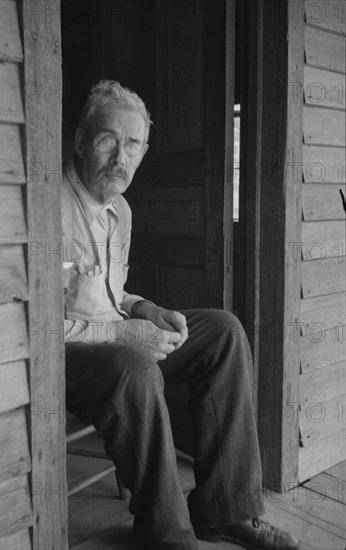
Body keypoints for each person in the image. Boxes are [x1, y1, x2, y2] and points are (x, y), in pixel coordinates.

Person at [62, 80, 300, 550]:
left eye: (132, 145)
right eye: (108, 139)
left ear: (144, 151)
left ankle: (224, 510)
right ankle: (170, 538)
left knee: (224, 332)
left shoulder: (121, 210)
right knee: (134, 368)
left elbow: (112, 291)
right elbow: (37, 322)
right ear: (80, 141)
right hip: (69, 354)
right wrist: (125, 335)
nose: (120, 158)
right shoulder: (48, 206)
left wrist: (145, 309)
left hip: (116, 337)